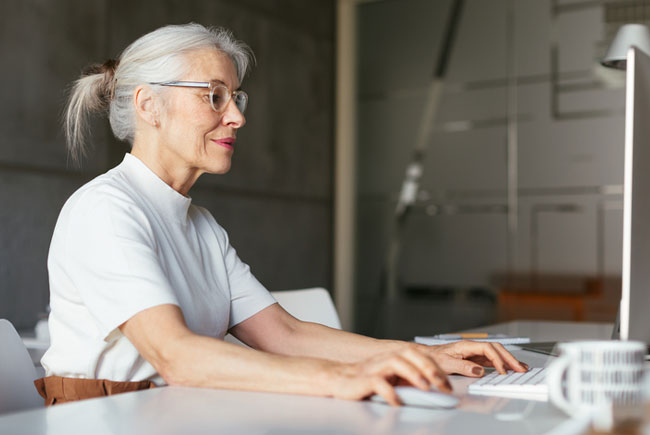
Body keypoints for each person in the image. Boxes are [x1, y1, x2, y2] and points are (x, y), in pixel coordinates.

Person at [36, 23, 527, 406]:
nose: (237, 117)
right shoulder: (105, 210)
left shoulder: (201, 225)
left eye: (236, 97)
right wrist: (341, 378)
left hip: (177, 412)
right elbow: (177, 356)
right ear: (150, 106)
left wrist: (422, 356)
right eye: (214, 96)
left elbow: (283, 335)